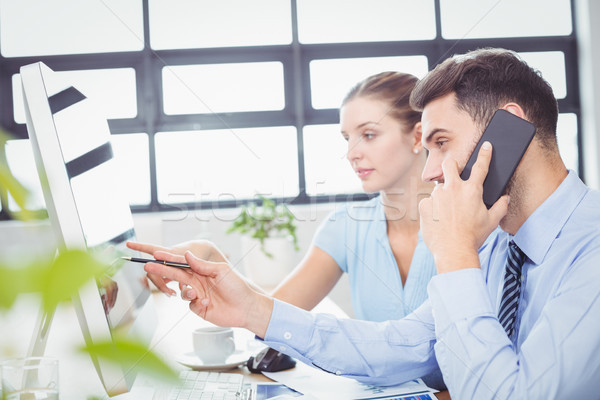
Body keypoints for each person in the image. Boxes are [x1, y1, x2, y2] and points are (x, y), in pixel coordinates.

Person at [143, 47, 600, 398]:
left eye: (441, 142)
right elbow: (402, 345)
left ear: (509, 128)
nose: (430, 170)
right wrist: (251, 310)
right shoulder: (497, 240)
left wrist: (456, 255)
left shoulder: (588, 251)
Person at [128, 71, 436, 322]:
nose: (352, 153)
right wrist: (211, 256)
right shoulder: (344, 228)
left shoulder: (473, 224)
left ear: (418, 136)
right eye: (347, 138)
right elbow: (272, 314)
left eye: (368, 135)